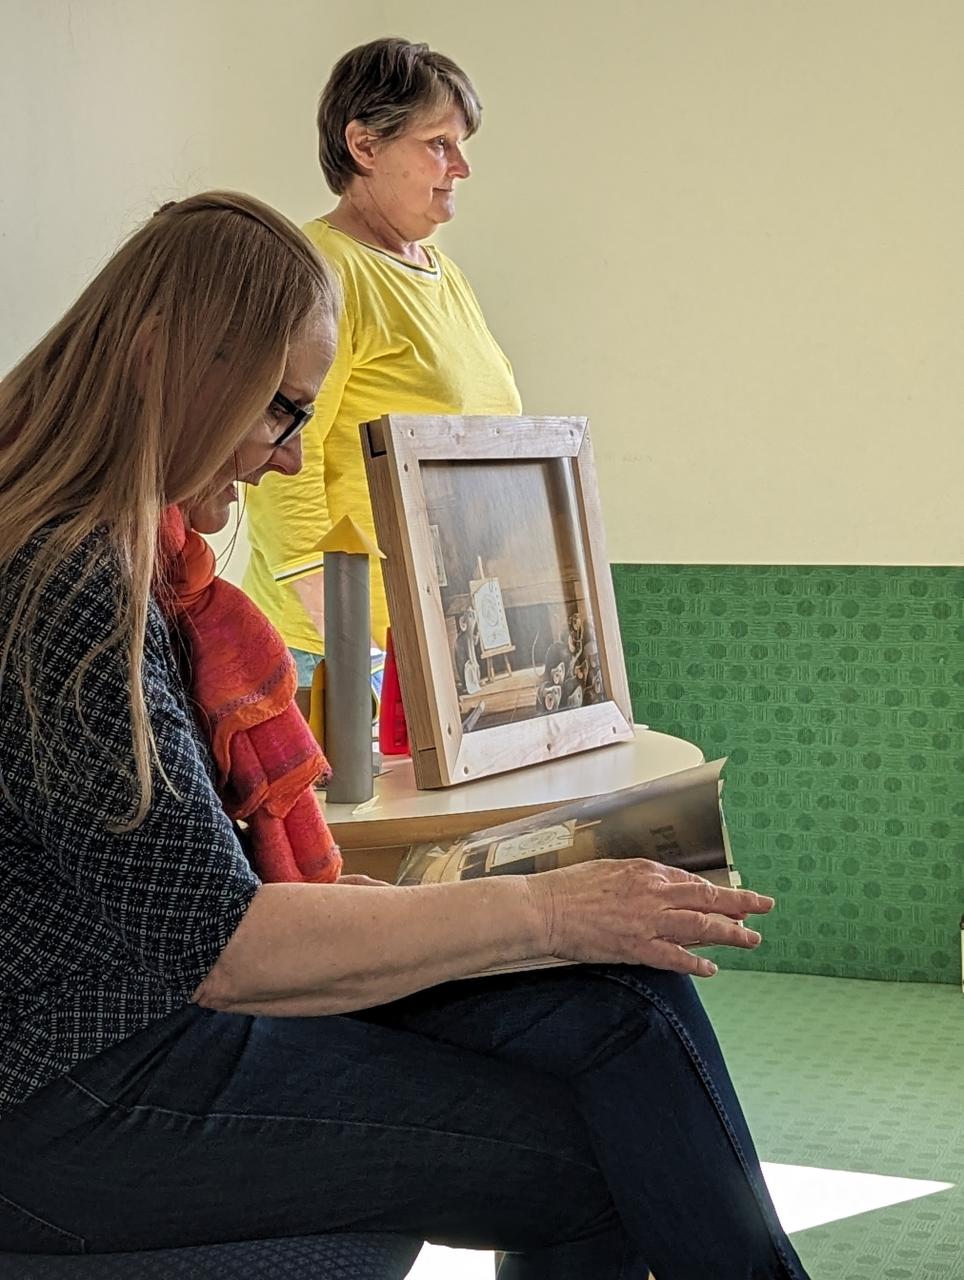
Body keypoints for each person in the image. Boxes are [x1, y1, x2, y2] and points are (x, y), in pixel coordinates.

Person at [0, 192, 811, 1280]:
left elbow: (188, 910)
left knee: (622, 994)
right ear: (165, 361)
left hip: (129, 1028)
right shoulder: (68, 584)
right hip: (63, 1091)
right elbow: (225, 950)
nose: (288, 458)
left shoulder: (106, 553)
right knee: (602, 1151)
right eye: (281, 410)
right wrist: (541, 906)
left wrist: (550, 916)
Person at [242, 37, 523, 689]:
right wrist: (350, 650)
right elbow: (282, 460)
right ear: (364, 146)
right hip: (338, 657)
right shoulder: (321, 272)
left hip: (437, 643)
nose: (461, 167)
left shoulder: (443, 276)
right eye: (438, 145)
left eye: (462, 144)